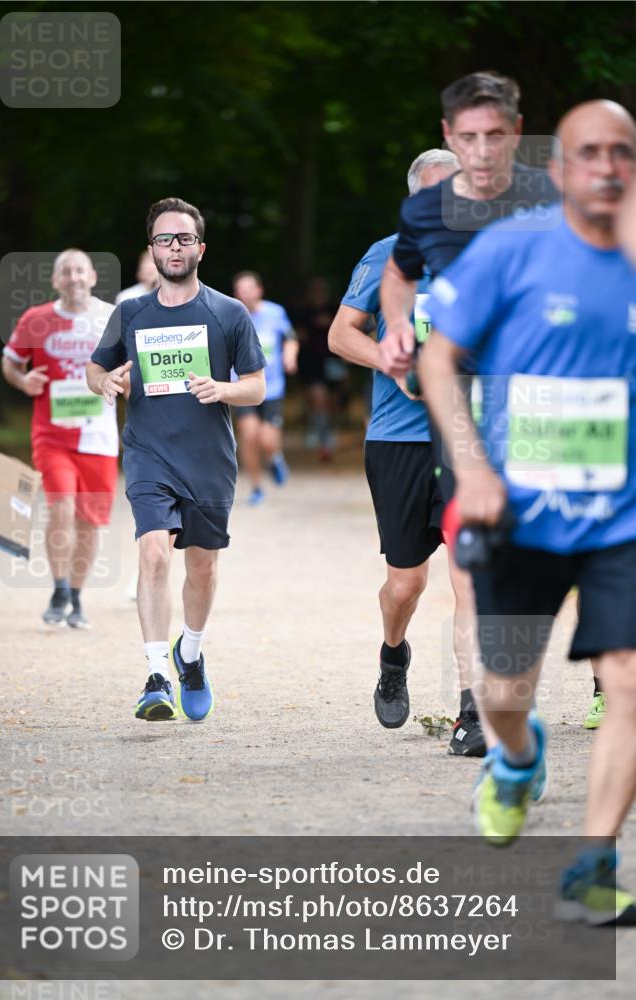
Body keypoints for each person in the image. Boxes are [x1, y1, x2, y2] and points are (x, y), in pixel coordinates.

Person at [419, 100, 636, 924]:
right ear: (559, 168)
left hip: (621, 516)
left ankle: (592, 863)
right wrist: (472, 468)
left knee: (627, 679)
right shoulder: (513, 248)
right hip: (519, 510)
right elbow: (438, 358)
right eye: (590, 152)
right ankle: (515, 758)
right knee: (505, 692)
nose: (606, 166)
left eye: (621, 152)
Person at [329, 148, 495, 757]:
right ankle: (393, 655)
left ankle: (471, 715)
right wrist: (392, 364)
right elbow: (340, 334)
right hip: (398, 441)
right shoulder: (387, 257)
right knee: (405, 586)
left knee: (471, 579)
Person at [87, 197, 266, 722]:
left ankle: (189, 652)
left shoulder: (228, 313)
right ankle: (156, 675)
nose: (174, 247)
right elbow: (94, 370)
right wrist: (106, 381)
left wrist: (223, 390)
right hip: (149, 453)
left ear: (200, 249)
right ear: (151, 249)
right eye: (164, 239)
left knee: (203, 568)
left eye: (184, 238)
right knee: (153, 555)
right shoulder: (130, 313)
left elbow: (256, 386)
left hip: (209, 459)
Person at [1, 249, 118, 629]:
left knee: (90, 522)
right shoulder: (36, 319)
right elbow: (11, 361)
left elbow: (130, 366)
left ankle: (77, 598)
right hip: (52, 435)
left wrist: (122, 381)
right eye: (66, 272)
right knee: (61, 508)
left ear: (93, 277)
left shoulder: (111, 318)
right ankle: (60, 588)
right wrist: (22, 380)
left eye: (80, 270)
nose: (74, 277)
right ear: (55, 281)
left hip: (99, 436)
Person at [232, 271, 298, 505]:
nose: (246, 294)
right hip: (242, 385)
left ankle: (274, 458)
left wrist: (290, 355)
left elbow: (290, 338)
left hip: (272, 386)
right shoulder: (231, 313)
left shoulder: (275, 312)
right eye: (241, 290)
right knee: (249, 436)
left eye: (250, 289)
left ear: (259, 290)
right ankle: (257, 487)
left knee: (267, 439)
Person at [294, 277, 347, 461]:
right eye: (315, 290)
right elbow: (297, 336)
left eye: (321, 290)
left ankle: (327, 428)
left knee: (333, 402)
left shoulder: (335, 308)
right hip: (311, 363)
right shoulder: (303, 312)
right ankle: (323, 439)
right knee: (318, 400)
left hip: (334, 361)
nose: (319, 294)